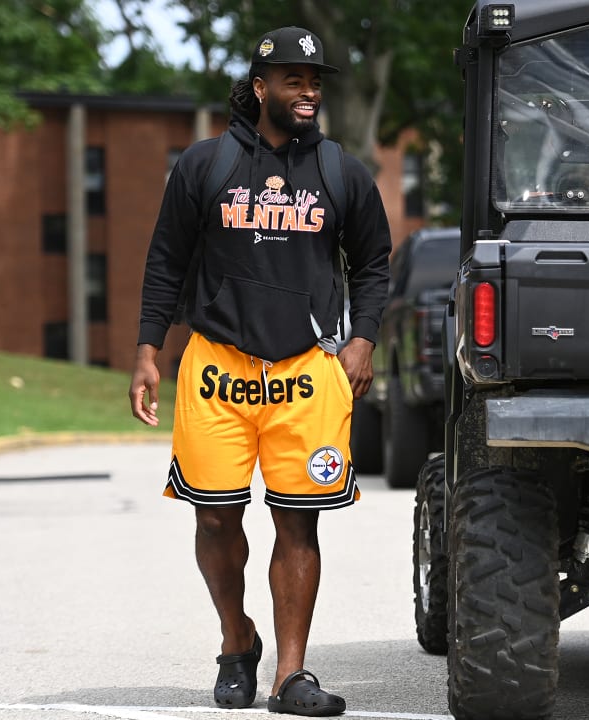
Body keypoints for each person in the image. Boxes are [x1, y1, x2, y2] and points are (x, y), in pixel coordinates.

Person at [128, 26, 391, 717]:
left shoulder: (342, 171)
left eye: (316, 82)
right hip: (218, 366)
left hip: (307, 371)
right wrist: (148, 351)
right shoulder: (204, 165)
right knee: (215, 519)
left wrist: (363, 338)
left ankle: (290, 676)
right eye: (295, 80)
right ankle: (236, 637)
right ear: (259, 87)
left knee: (297, 523)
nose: (308, 92)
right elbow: (165, 262)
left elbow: (372, 264)